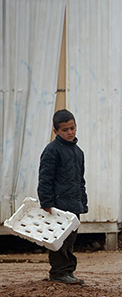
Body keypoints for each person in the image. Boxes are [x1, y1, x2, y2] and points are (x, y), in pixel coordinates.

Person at [38, 109, 88, 285]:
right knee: (59, 240)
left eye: (72, 128)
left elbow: (80, 180)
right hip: (58, 205)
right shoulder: (52, 150)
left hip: (74, 205)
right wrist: (46, 202)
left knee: (71, 239)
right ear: (56, 131)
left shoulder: (78, 152)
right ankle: (58, 273)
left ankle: (68, 271)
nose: (70, 132)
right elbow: (45, 178)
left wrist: (83, 202)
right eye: (65, 130)